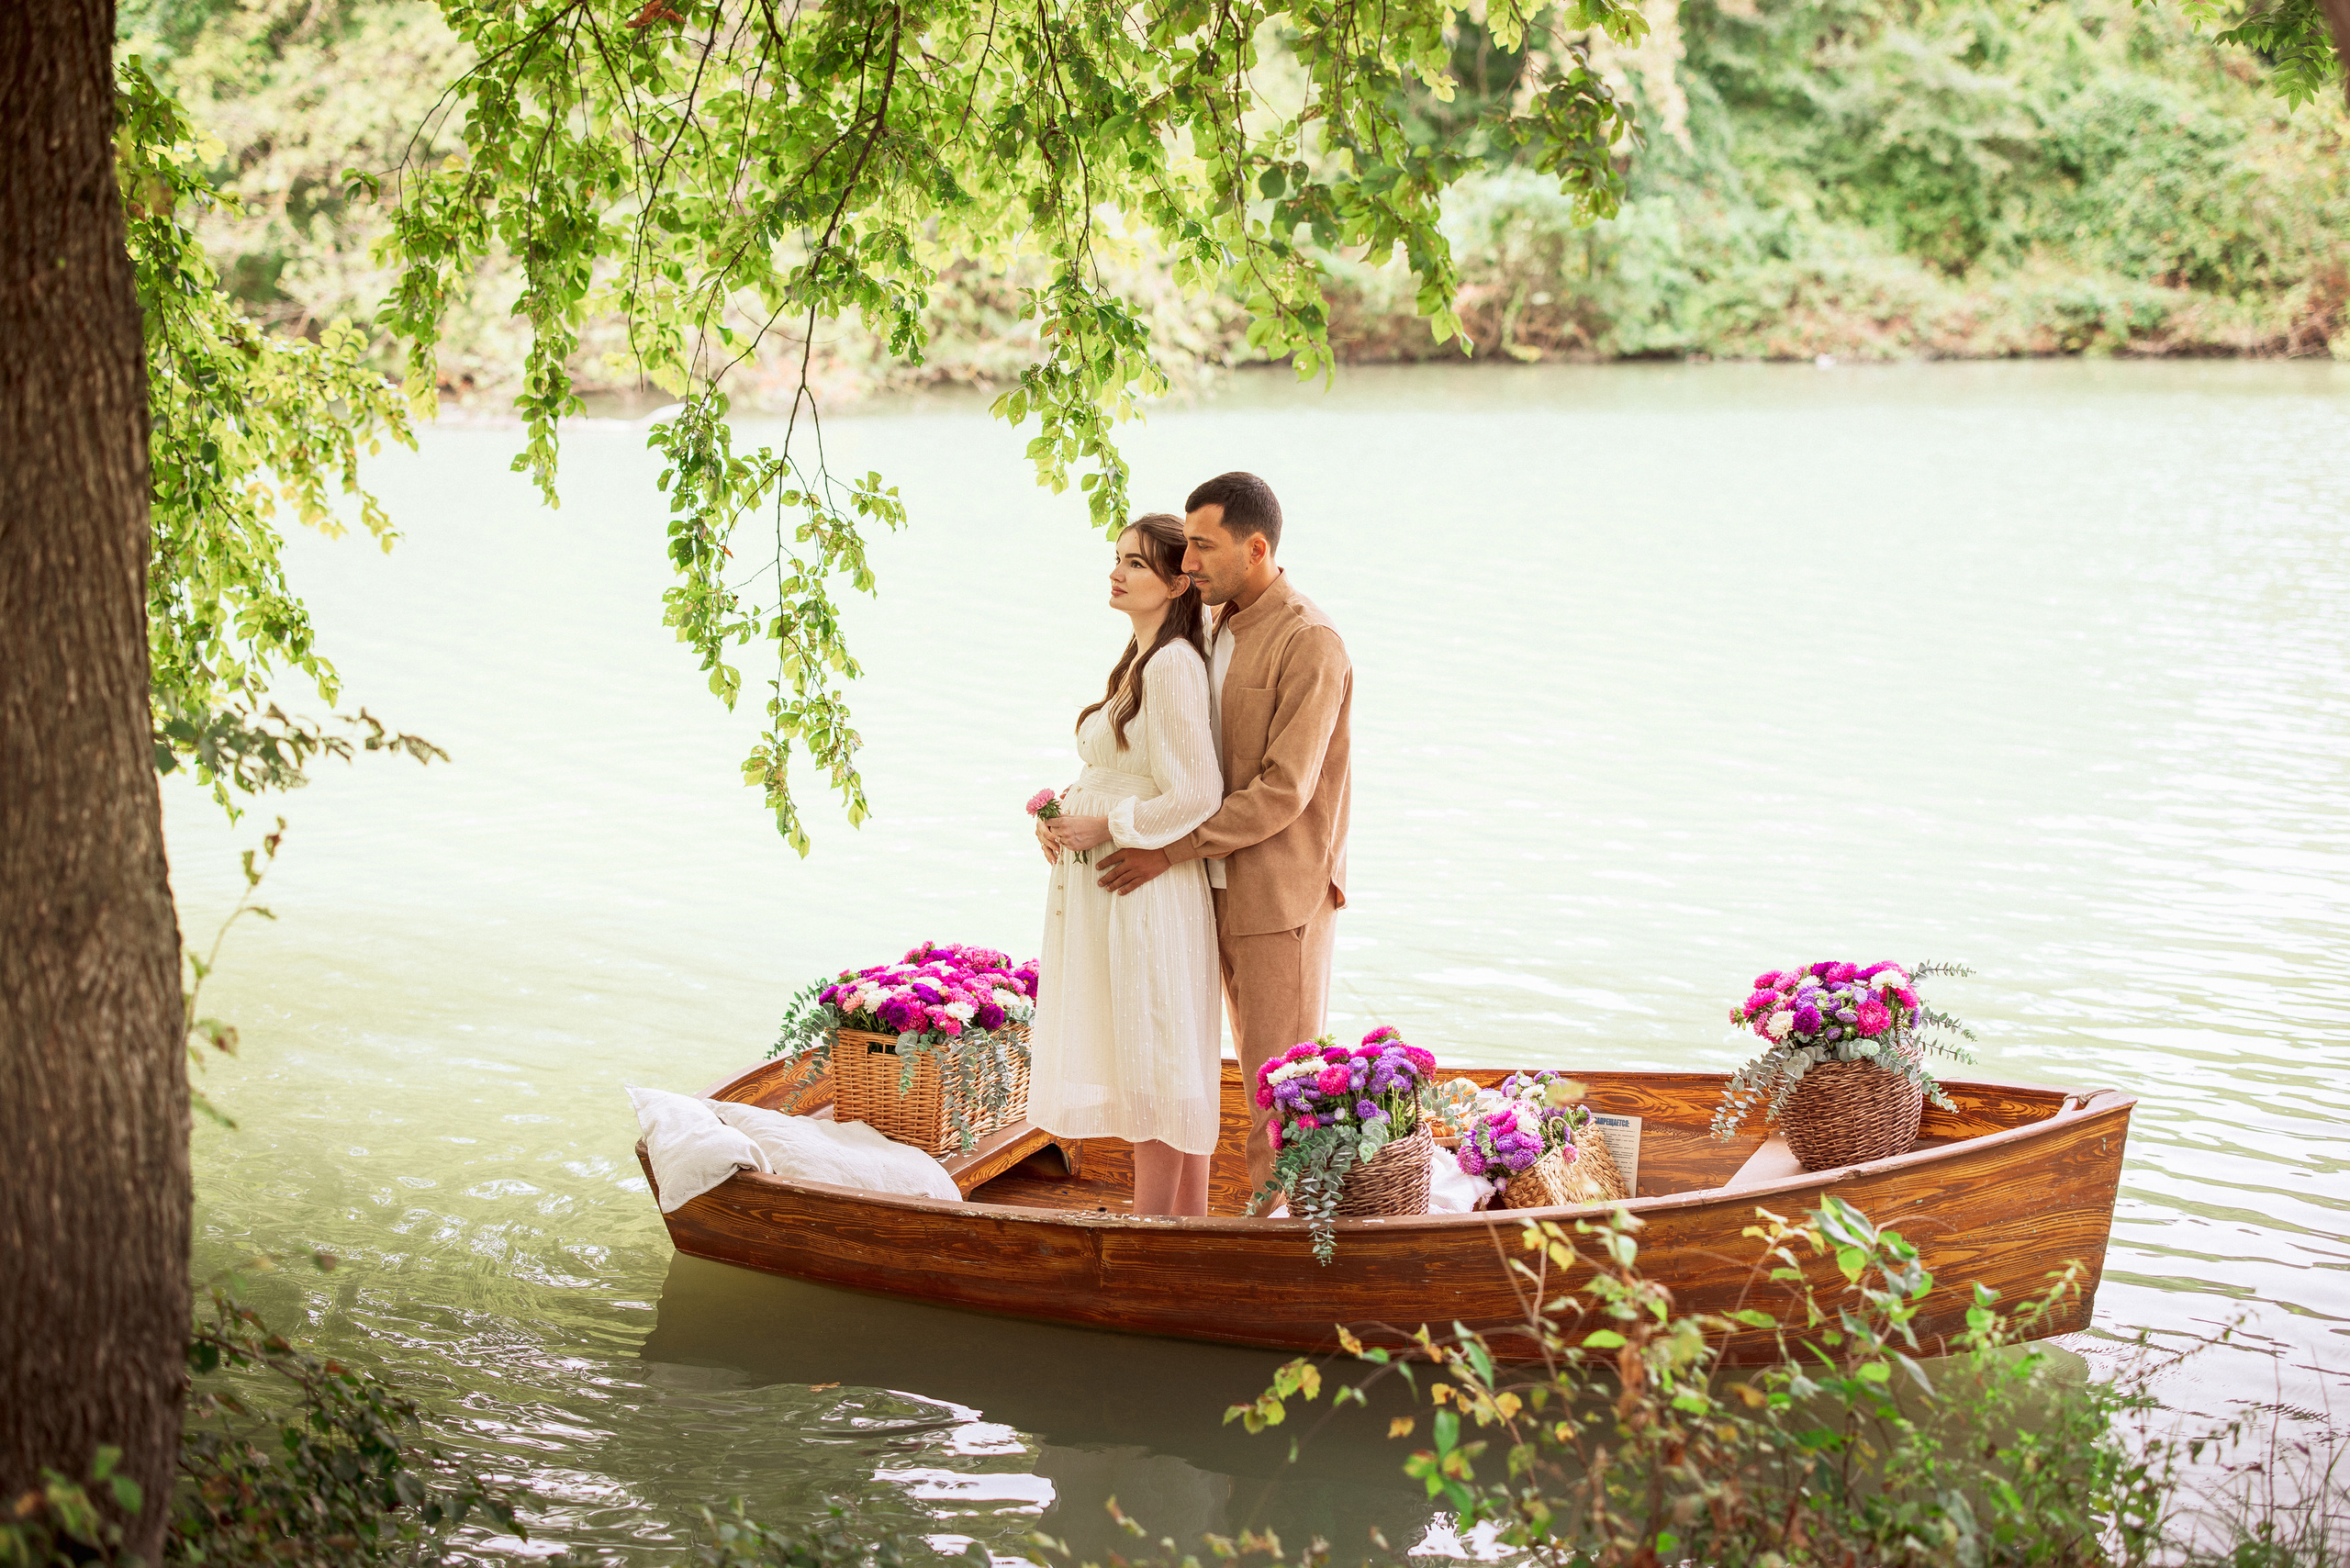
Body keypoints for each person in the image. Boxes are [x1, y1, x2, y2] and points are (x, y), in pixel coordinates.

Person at [1094, 472, 1351, 1199]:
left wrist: (1167, 848)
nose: (1188, 562)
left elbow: (1283, 791)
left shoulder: (1310, 642)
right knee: (1187, 1068)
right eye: (1186, 546)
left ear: (1257, 548)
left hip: (1277, 897)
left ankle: (1283, 1246)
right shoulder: (1207, 628)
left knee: (1280, 1097)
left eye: (1203, 546)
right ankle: (1204, 1231)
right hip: (1198, 890)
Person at [1026, 513, 1225, 1217]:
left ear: (1177, 584)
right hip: (1116, 882)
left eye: (1136, 564)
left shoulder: (1171, 665)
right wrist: (1060, 816)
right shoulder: (1142, 660)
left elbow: (1197, 793)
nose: (1116, 573)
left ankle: (1152, 1232)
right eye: (1117, 559)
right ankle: (1186, 1229)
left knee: (1155, 1058)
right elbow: (1126, 768)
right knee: (1154, 1053)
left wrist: (1107, 825)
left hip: (1144, 887)